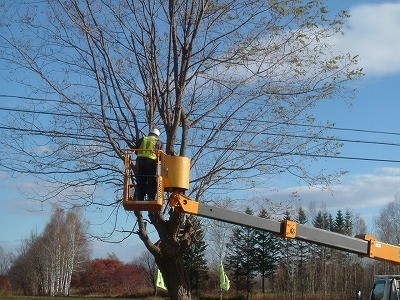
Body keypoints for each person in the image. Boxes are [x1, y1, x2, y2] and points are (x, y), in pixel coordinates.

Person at [135, 128, 163, 201]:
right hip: (151, 161)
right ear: (157, 136)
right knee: (151, 180)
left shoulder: (142, 139)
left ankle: (140, 198)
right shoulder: (158, 142)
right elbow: (161, 155)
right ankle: (151, 198)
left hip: (140, 161)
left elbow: (135, 151)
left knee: (141, 180)